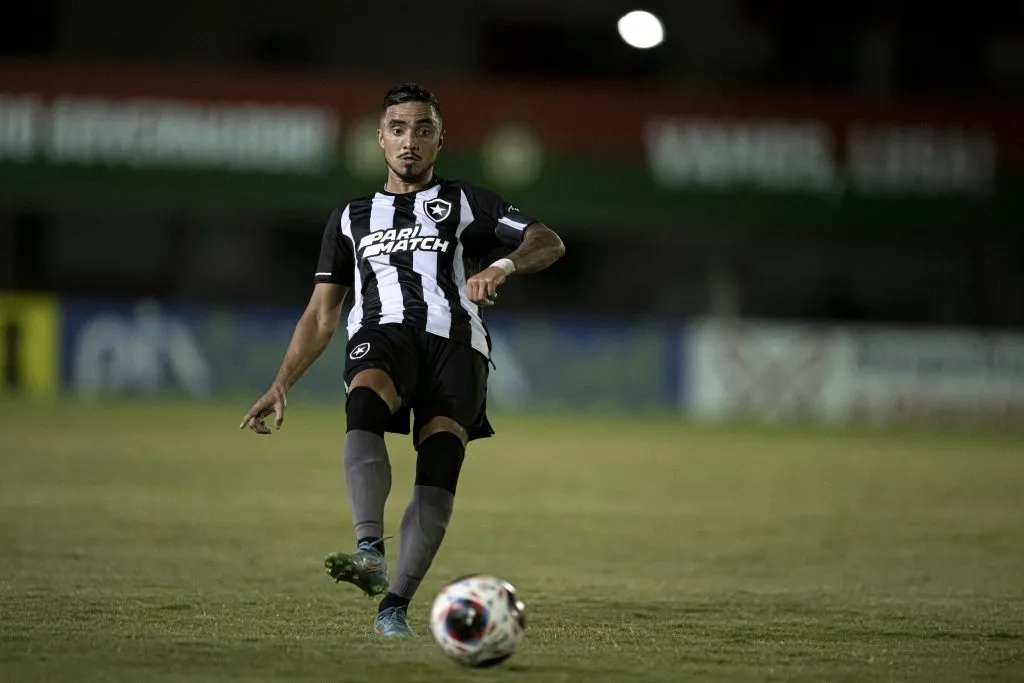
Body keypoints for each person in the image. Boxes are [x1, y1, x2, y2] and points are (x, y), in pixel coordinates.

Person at [239, 82, 565, 637]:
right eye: (397, 129)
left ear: (440, 141)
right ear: (379, 140)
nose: (408, 141)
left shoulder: (468, 203)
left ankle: (394, 606)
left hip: (457, 345)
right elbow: (322, 314)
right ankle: (368, 548)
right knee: (364, 398)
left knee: (438, 469)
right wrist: (281, 383)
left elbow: (547, 240)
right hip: (382, 332)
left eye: (422, 129)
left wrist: (501, 267)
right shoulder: (350, 217)